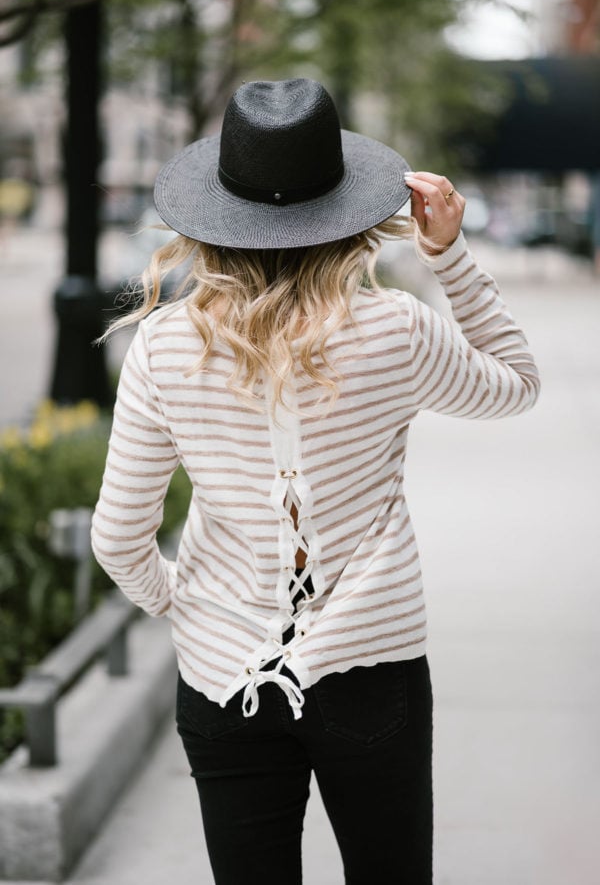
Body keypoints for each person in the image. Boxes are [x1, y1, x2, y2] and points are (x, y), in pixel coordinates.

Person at [91, 78, 540, 885]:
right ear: (345, 212)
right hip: (374, 669)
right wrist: (449, 255)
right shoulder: (395, 329)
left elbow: (118, 536)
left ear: (216, 217)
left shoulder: (162, 349)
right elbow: (516, 381)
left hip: (222, 679)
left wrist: (186, 603)